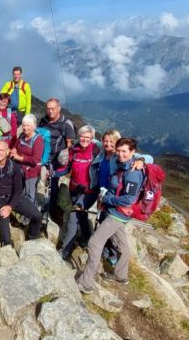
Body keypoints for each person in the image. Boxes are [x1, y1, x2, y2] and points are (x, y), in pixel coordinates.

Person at [77, 138, 145, 290]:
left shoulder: (133, 173)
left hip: (118, 213)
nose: (120, 154)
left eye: (124, 151)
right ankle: (121, 275)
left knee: (94, 242)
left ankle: (85, 283)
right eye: (119, 151)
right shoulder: (123, 165)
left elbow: (129, 198)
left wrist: (106, 198)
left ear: (132, 152)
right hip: (114, 211)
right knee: (122, 245)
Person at [0, 140, 43, 246]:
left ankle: (33, 236)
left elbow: (18, 190)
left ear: (8, 152)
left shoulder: (15, 167)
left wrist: (10, 207)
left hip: (12, 197)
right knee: (3, 216)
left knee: (37, 216)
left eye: (1, 150)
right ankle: (7, 244)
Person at [58, 125, 99, 260]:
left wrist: (141, 160)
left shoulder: (97, 151)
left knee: (73, 217)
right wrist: (54, 174)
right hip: (74, 189)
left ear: (92, 139)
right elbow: (67, 168)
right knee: (81, 216)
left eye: (88, 137)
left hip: (89, 192)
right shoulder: (74, 150)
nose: (84, 139)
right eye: (82, 136)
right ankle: (87, 238)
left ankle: (65, 251)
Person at [39, 98, 77, 218]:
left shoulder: (66, 124)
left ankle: (50, 211)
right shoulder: (43, 121)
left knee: (53, 184)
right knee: (39, 181)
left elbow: (70, 144)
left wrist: (65, 162)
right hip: (43, 156)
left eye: (53, 108)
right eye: (48, 108)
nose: (50, 111)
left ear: (59, 109)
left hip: (56, 159)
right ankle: (38, 206)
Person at [10, 114, 44, 204]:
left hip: (31, 172)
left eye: (28, 125)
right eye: (24, 125)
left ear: (33, 126)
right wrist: (14, 149)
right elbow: (16, 146)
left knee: (30, 195)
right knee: (19, 191)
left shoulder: (38, 140)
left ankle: (31, 215)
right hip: (20, 169)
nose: (25, 128)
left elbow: (35, 160)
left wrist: (19, 158)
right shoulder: (22, 135)